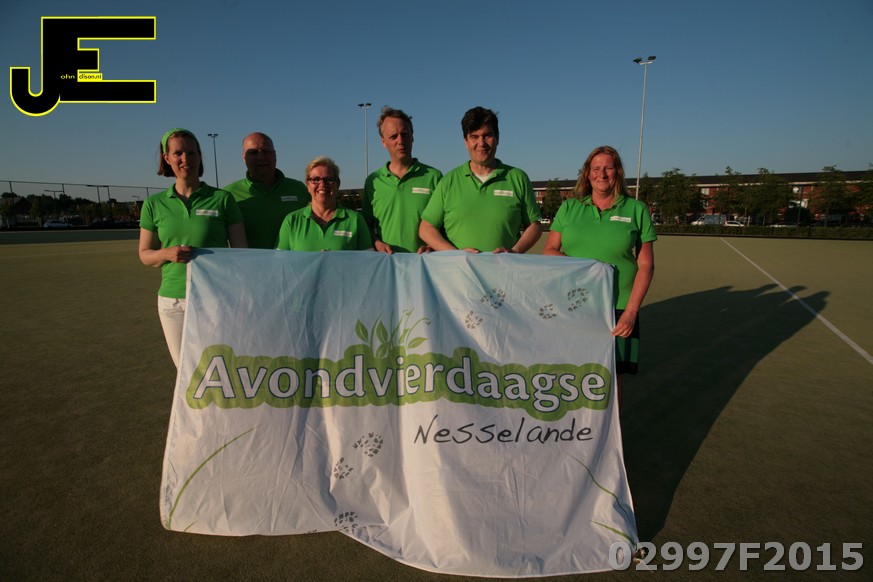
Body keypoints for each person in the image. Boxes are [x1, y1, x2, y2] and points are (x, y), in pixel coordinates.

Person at [543, 145, 656, 405]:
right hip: (574, 304)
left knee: (613, 375)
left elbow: (646, 265)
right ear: (587, 173)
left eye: (608, 168)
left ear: (618, 172)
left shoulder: (636, 209)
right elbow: (549, 250)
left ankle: (611, 430)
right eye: (595, 168)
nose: (601, 174)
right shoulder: (569, 207)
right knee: (571, 369)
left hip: (618, 307)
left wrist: (631, 312)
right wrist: (585, 266)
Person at [139, 128, 248, 367]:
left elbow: (241, 253)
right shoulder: (154, 204)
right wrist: (166, 253)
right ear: (167, 158)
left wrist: (239, 297)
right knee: (185, 372)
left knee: (217, 367)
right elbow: (145, 255)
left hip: (215, 298)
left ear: (199, 156)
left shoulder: (223, 199)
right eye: (178, 153)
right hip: (173, 302)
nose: (185, 159)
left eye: (191, 152)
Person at [419, 106, 542, 253]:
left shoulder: (518, 178)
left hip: (504, 268)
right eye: (474, 137)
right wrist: (455, 255)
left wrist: (514, 252)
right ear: (465, 141)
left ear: (497, 138)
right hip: (457, 268)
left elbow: (535, 226)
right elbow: (426, 228)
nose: (481, 143)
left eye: (487, 135)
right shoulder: (449, 181)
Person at [362, 107, 442, 254]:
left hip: (424, 262)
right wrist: (377, 242)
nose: (401, 141)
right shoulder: (373, 181)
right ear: (383, 141)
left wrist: (432, 246)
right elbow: (365, 226)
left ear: (412, 137)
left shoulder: (434, 177)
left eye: (405, 134)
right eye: (393, 136)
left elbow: (444, 224)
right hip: (387, 262)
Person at [224, 132, 310, 249]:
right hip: (249, 261)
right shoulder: (229, 194)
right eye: (253, 152)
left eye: (266, 151)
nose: (261, 157)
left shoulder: (300, 189)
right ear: (244, 157)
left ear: (275, 155)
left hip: (294, 261)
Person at [276, 156, 373, 251]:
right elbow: (280, 260)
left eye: (329, 179)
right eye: (316, 180)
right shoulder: (291, 221)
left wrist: (336, 259)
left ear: (338, 184)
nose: (322, 184)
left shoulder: (355, 220)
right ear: (308, 185)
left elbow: (368, 259)